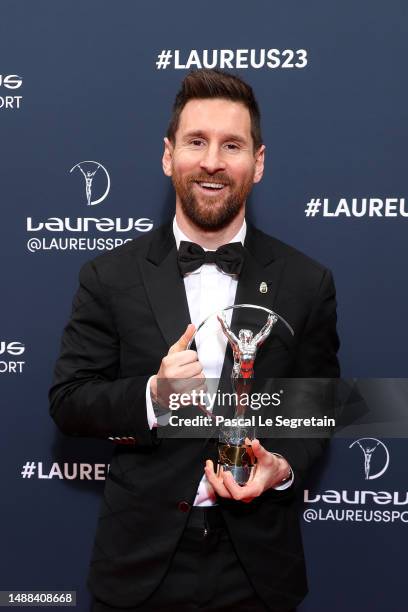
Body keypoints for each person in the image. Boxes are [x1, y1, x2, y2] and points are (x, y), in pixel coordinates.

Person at [50, 69, 340, 612]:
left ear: (257, 163)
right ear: (168, 156)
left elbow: (315, 409)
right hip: (139, 568)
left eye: (232, 145)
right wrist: (153, 397)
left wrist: (281, 465)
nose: (212, 161)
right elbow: (69, 402)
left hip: (259, 571)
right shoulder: (108, 276)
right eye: (196, 142)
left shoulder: (307, 282)